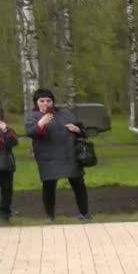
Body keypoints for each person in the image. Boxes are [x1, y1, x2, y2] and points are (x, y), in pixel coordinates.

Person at [26, 88, 92, 223]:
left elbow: (84, 132)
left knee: (78, 183)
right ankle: (50, 217)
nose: (46, 103)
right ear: (36, 103)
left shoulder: (65, 114)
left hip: (69, 155)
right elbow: (31, 132)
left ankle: (84, 214)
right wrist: (41, 122)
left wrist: (77, 130)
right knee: (49, 186)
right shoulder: (33, 117)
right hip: (48, 158)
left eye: (48, 100)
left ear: (53, 102)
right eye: (42, 100)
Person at [0, 108, 18, 222]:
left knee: (6, 189)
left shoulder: (7, 129)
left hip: (4, 163)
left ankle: (5, 212)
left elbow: (13, 142)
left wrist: (5, 130)